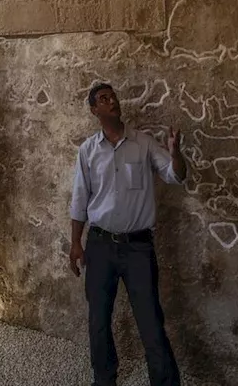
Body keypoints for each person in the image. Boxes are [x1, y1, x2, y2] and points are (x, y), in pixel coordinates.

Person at [69, 82, 187, 386]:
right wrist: (75, 244)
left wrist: (176, 154)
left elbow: (175, 175)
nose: (112, 102)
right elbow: (80, 199)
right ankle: (104, 380)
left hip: (138, 249)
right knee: (98, 321)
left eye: (113, 97)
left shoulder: (143, 144)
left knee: (150, 321)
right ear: (94, 110)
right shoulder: (88, 150)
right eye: (103, 99)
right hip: (100, 245)